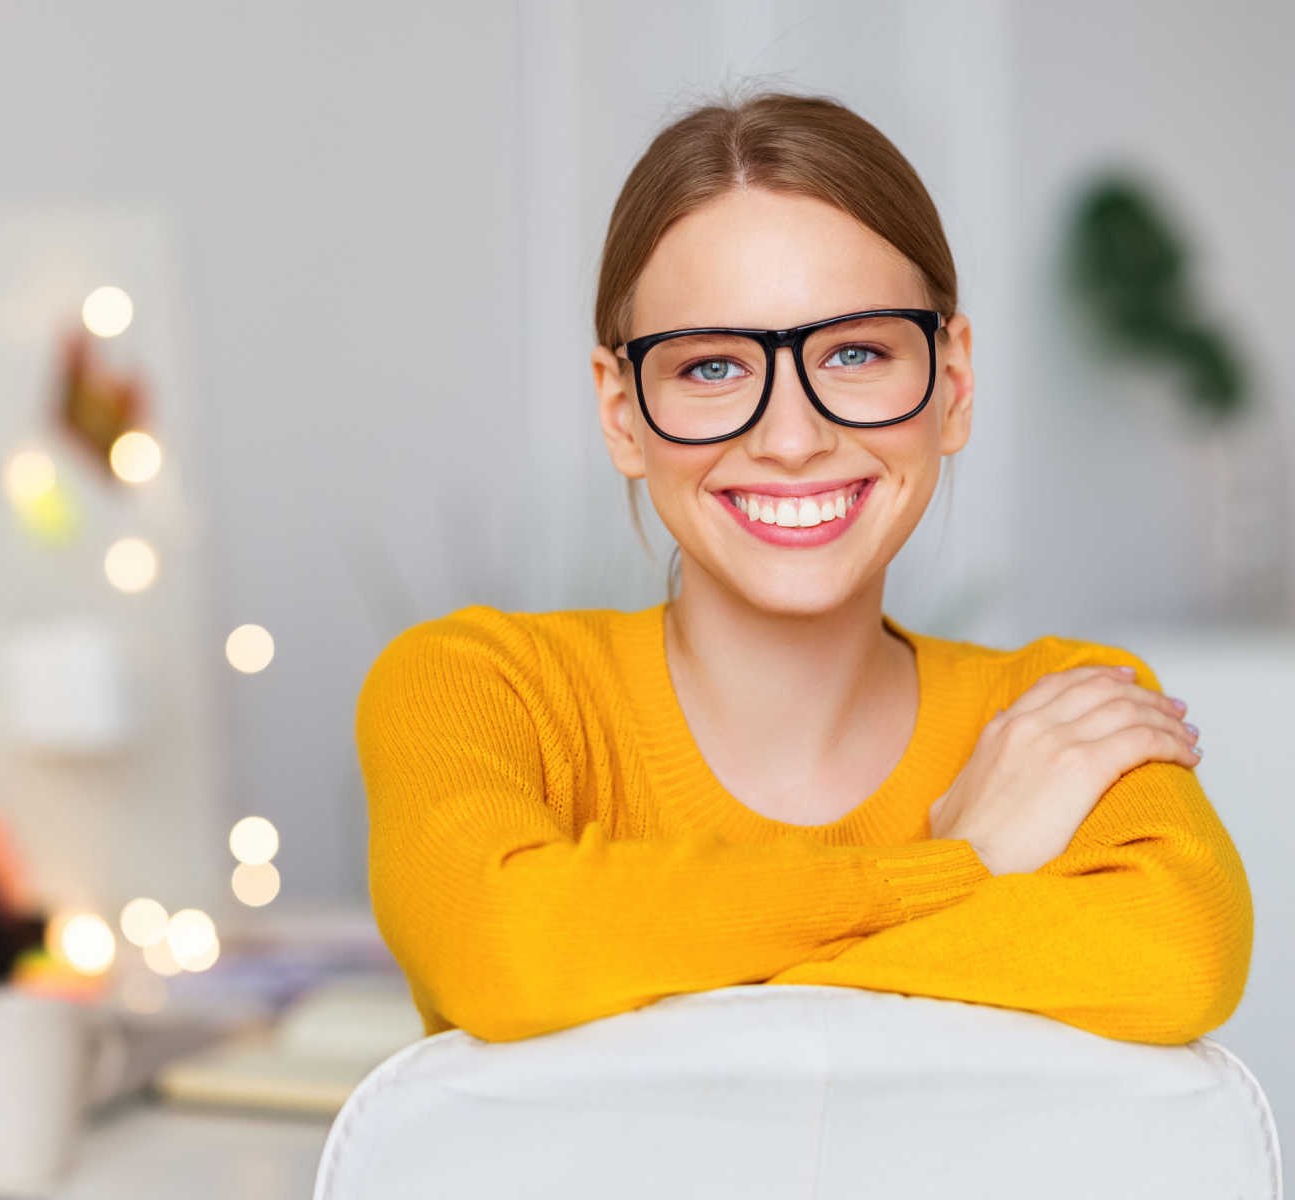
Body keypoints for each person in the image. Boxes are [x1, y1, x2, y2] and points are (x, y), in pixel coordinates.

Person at [354, 88, 1252, 1048]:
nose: (792, 437)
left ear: (951, 386)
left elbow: (1181, 958)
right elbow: (503, 947)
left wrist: (653, 959)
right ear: (621, 412)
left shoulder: (1062, 711)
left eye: (855, 351)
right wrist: (962, 862)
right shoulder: (482, 689)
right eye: (711, 367)